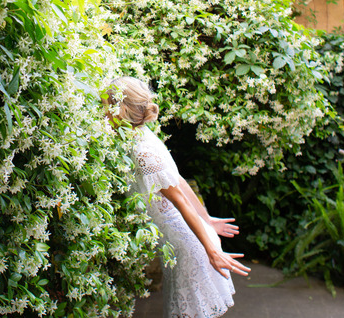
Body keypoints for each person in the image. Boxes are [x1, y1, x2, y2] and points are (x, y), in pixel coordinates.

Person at [104, 77, 250, 318]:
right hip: (185, 244)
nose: (104, 112)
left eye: (107, 105)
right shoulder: (142, 136)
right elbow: (178, 180)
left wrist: (211, 249)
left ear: (121, 110)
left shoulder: (143, 152)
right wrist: (208, 220)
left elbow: (180, 199)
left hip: (189, 248)